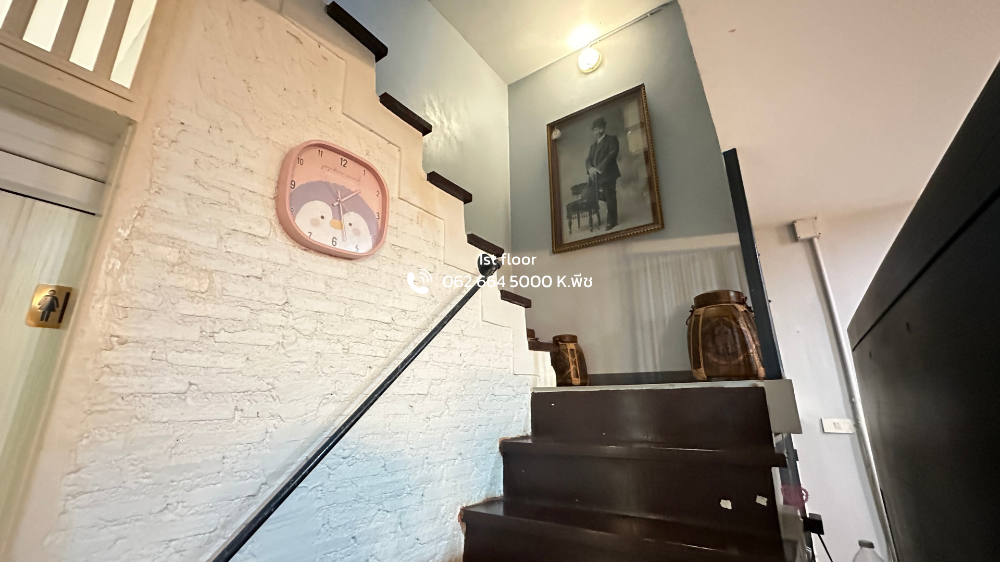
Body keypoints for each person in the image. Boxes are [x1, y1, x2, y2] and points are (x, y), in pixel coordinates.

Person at [585, 116, 621, 230]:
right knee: (587, 194)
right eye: (594, 130)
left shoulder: (611, 140)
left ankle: (612, 221)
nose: (596, 132)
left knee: (610, 196)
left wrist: (598, 168)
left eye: (598, 129)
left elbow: (611, 155)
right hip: (595, 177)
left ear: (603, 129)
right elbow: (588, 160)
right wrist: (590, 168)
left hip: (608, 174)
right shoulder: (593, 146)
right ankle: (597, 216)